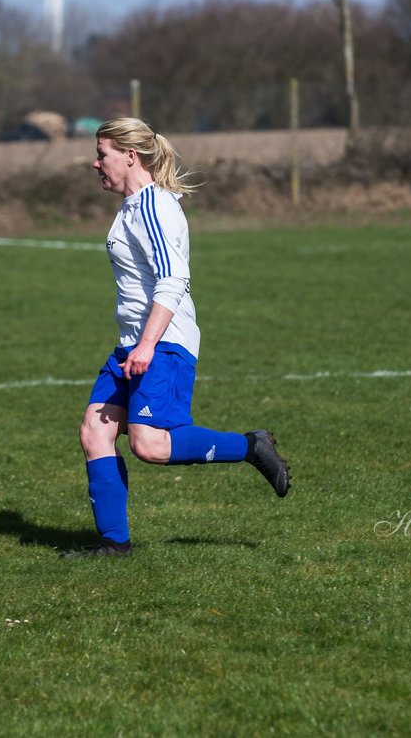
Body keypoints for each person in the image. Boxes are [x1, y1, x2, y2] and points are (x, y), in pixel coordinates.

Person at [62, 117, 291, 558]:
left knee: (149, 445)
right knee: (95, 431)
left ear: (130, 156)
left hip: (163, 342)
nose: (95, 163)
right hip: (134, 342)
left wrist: (148, 345)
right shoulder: (131, 207)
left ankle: (250, 445)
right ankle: (113, 545)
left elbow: (172, 280)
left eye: (102, 154)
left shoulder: (155, 207)